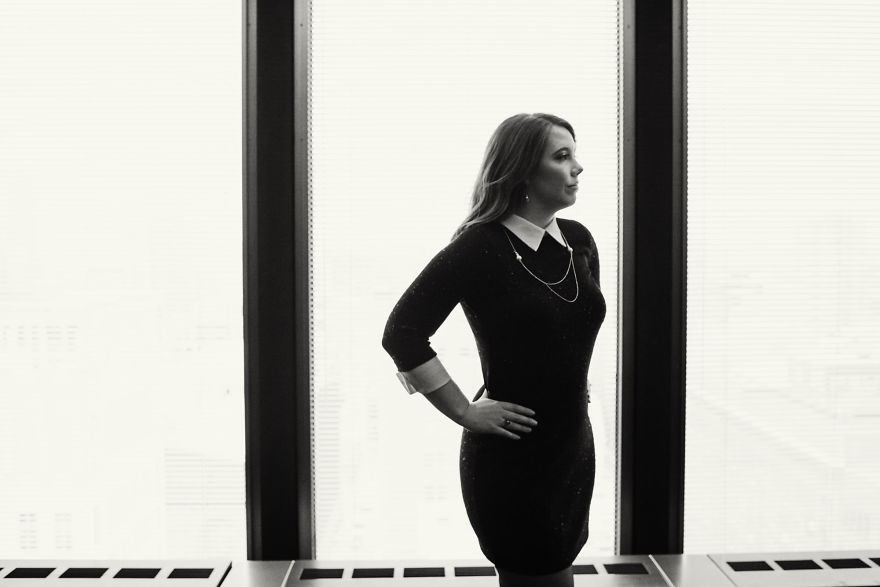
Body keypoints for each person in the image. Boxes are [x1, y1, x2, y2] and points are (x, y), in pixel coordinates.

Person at [381, 113, 605, 587]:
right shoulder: (480, 245)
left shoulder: (580, 241)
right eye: (562, 156)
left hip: (572, 449)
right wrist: (464, 410)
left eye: (575, 154)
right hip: (513, 457)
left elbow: (570, 332)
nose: (577, 167)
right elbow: (402, 332)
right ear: (523, 169)